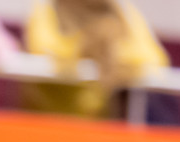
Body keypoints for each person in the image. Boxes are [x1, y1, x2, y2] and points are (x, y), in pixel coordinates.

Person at [24, 0, 169, 119]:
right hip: (55, 116)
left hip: (109, 120)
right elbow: (42, 50)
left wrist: (111, 52)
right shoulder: (48, 6)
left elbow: (154, 59)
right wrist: (84, 48)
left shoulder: (123, 11)